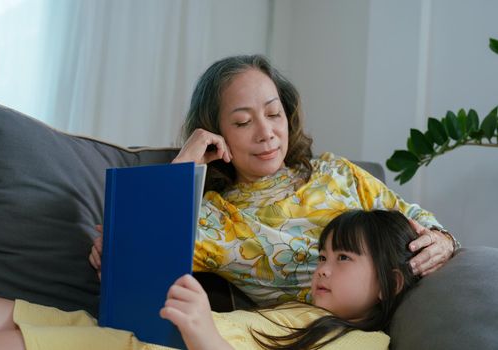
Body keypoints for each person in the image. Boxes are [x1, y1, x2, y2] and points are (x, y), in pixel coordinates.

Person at [89, 54, 457, 306]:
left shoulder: (338, 172)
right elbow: (131, 264)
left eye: (273, 113)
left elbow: (419, 222)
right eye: (243, 122)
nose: (266, 133)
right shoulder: (213, 219)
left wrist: (442, 240)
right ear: (217, 133)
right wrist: (185, 161)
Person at [0, 209, 420, 350]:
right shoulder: (299, 308)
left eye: (343, 258)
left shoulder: (364, 343)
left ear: (390, 283)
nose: (323, 267)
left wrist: (205, 332)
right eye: (323, 255)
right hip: (135, 331)